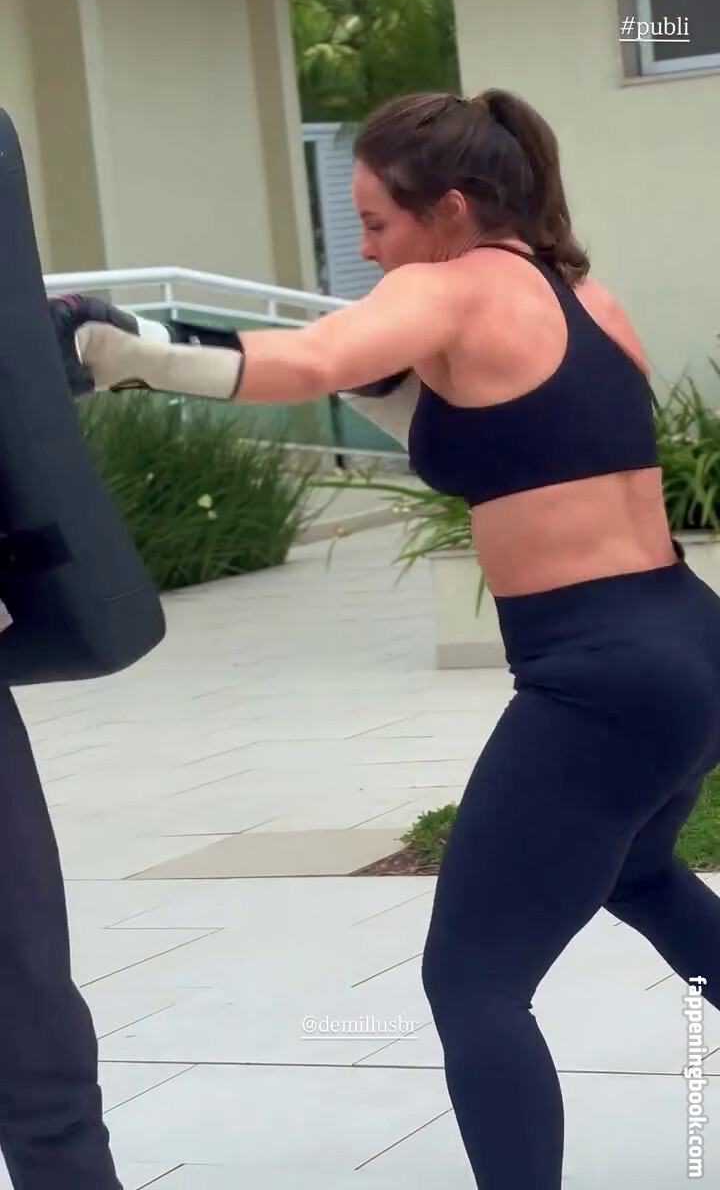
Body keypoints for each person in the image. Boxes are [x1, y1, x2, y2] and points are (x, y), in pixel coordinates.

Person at [60, 88, 720, 1190]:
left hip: (599, 677)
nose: (366, 249)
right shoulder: (584, 298)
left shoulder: (446, 287)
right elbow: (530, 440)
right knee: (642, 874)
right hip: (688, 639)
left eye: (375, 222)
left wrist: (121, 348)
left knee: (473, 982)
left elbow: (304, 363)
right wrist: (388, 390)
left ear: (450, 209)